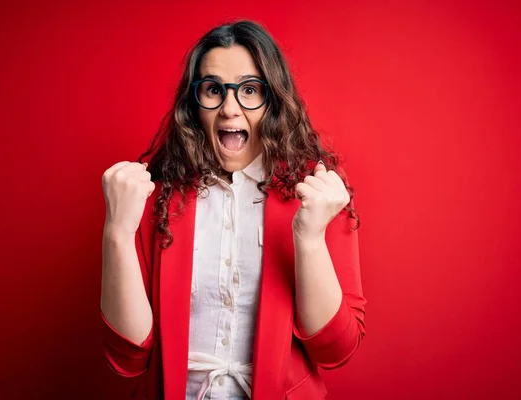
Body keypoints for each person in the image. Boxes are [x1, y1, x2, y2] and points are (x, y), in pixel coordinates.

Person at [100, 20, 366, 400]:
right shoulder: (154, 195)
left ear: (273, 100)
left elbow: (336, 350)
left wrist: (308, 239)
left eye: (250, 90)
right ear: (194, 104)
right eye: (213, 90)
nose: (229, 108)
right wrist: (117, 232)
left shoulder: (318, 195)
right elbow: (128, 356)